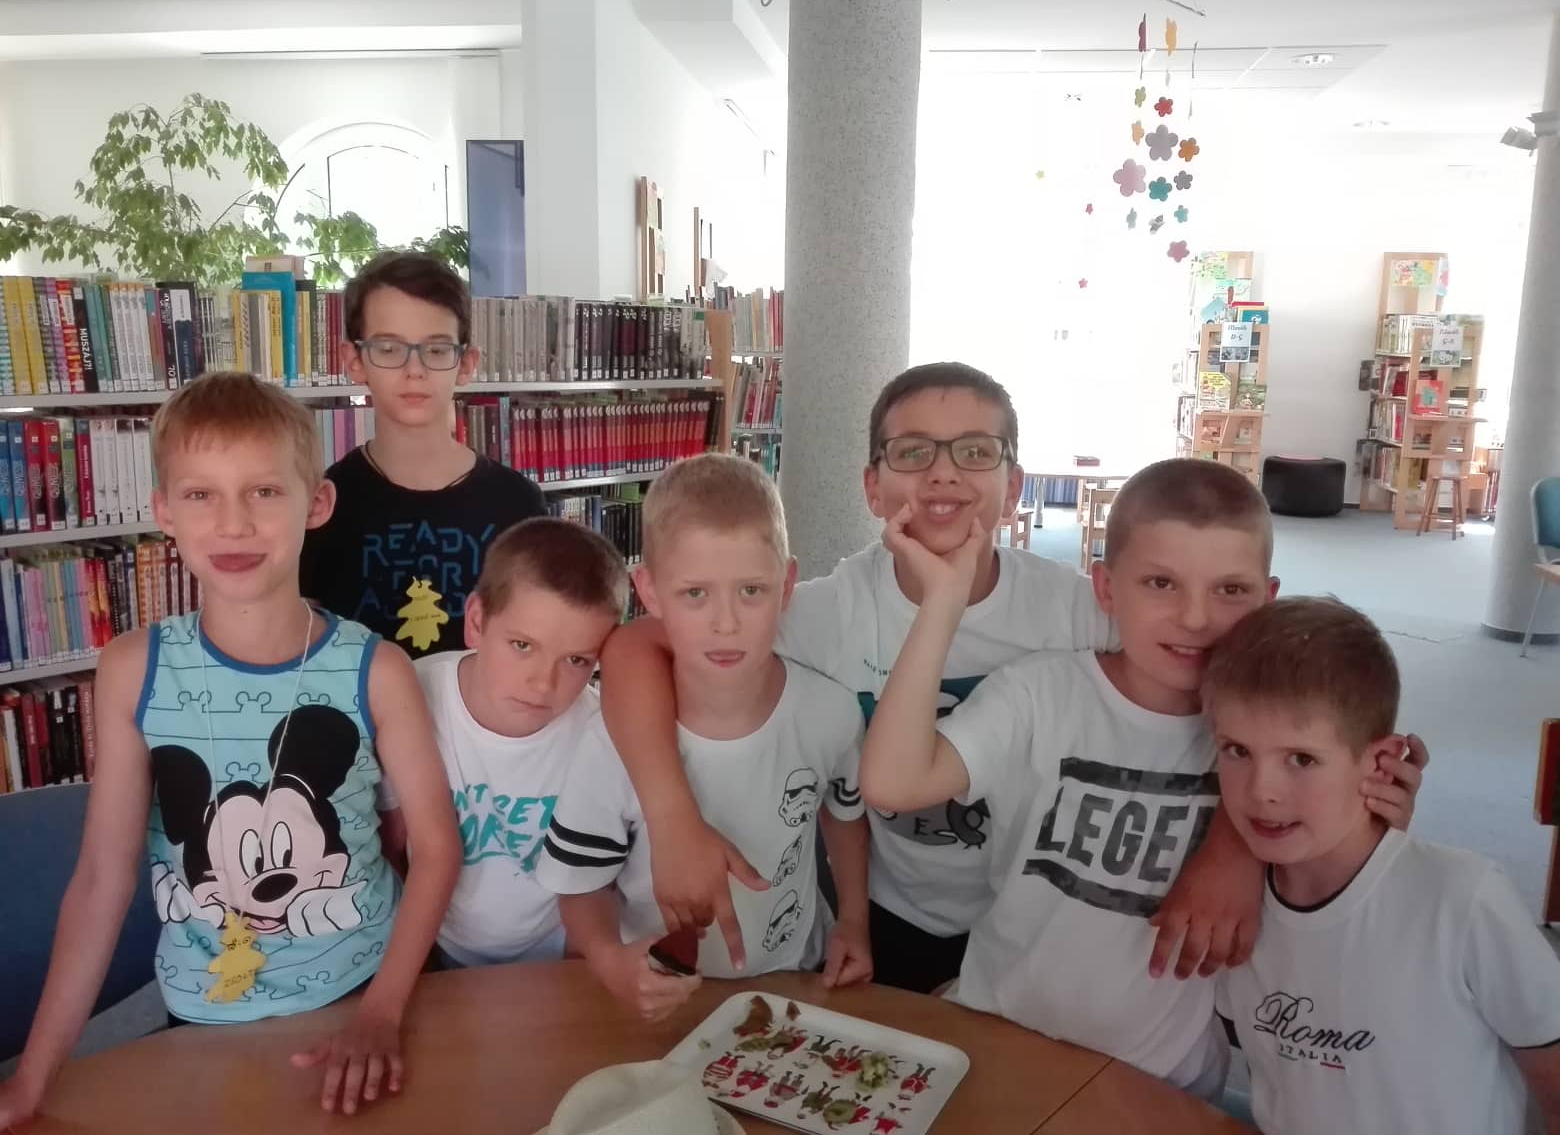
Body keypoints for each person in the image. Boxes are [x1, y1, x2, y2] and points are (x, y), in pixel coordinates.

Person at [595, 364, 1412, 991]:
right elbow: (635, 648)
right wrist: (671, 818)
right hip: (895, 909)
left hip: (1049, 916)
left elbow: (1270, 690)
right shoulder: (821, 612)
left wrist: (1235, 851)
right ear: (872, 487)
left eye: (976, 452)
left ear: (1014, 486)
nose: (944, 474)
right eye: (913, 452)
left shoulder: (1084, 608)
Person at [858, 459, 1420, 1100]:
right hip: (1001, 1029)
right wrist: (944, 603)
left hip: (1160, 1078)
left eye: (1230, 590)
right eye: (1160, 583)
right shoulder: (1042, 693)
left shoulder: (1284, 744)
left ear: (1267, 599)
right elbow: (893, 783)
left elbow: (1338, 894)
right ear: (1104, 588)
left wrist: (1338, 829)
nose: (1196, 617)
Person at [0, 373, 460, 1126]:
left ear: (316, 503)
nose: (233, 524)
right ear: (164, 513)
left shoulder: (376, 669)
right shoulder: (133, 669)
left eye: (264, 492)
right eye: (201, 495)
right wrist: (32, 1080)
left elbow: (437, 848)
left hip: (367, 995)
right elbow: (102, 880)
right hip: (204, 1008)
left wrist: (382, 1013)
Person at [536, 455, 872, 1022]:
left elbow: (844, 813)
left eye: (752, 590)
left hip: (798, 977)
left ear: (788, 585)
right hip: (667, 999)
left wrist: (854, 921)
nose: (726, 622)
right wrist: (610, 961)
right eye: (695, 594)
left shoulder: (832, 713)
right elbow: (579, 885)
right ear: (649, 592)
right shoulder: (611, 742)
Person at [1207, 597, 1560, 1135]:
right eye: (1237, 750)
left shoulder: (1464, 901)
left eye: (1301, 758)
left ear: (1379, 761)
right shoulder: (1233, 911)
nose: (1262, 791)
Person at [380, 517, 629, 968]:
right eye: (522, 646)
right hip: (436, 951)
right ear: (476, 622)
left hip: (562, 955)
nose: (542, 683)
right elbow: (391, 841)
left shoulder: (601, 732)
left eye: (576, 660)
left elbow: (601, 879)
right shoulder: (412, 696)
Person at [300, 251, 546, 659]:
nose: (414, 370)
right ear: (354, 361)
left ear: (465, 364)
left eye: (436, 350)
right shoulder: (322, 506)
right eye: (389, 348)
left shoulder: (517, 503)